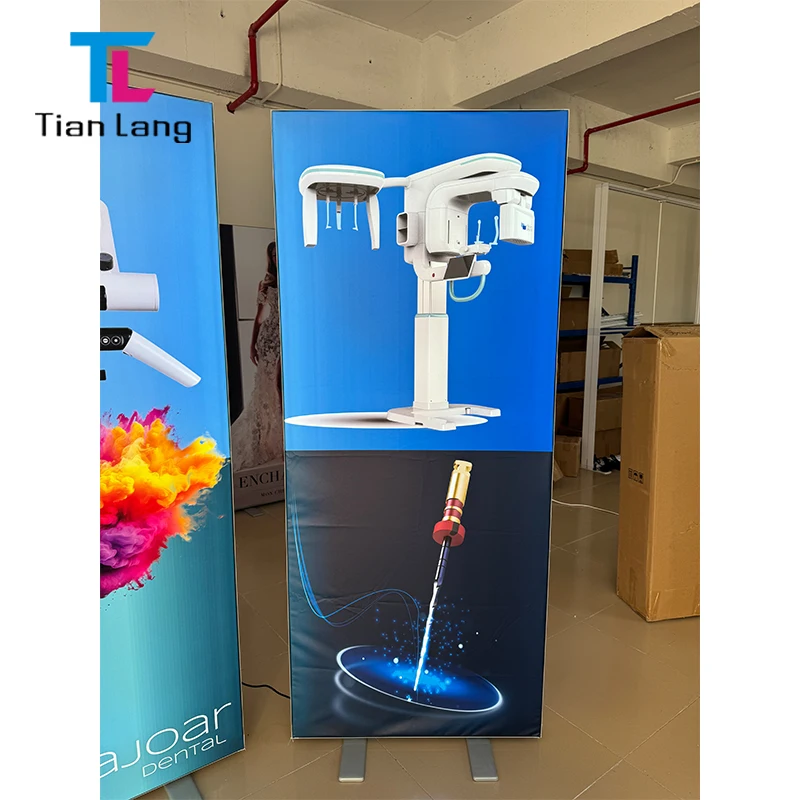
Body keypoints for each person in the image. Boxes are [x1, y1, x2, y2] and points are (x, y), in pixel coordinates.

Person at [231, 242, 283, 470]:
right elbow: (260, 317)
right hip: (270, 338)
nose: (276, 258)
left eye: (279, 254)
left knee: (281, 387)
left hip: (288, 337)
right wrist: (252, 345)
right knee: (269, 387)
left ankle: (283, 439)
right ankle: (269, 441)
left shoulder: (294, 279)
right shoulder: (265, 284)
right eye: (273, 255)